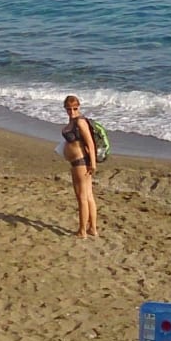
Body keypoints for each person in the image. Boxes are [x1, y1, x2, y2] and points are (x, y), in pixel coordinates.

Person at [60, 96, 99, 238]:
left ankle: (83, 231)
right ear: (65, 109)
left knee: (82, 197)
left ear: (79, 107)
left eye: (75, 108)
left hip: (81, 162)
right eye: (69, 109)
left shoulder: (80, 122)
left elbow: (90, 143)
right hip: (78, 162)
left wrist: (93, 163)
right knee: (88, 196)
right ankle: (92, 229)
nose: (72, 111)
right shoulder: (72, 121)